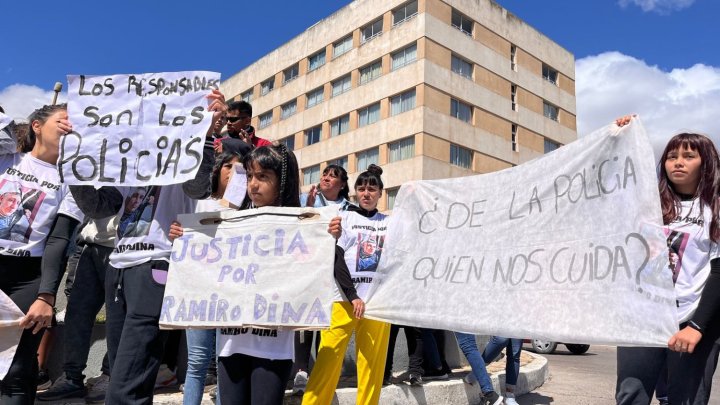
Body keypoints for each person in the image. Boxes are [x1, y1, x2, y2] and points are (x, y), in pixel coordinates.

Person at [68, 90, 226, 405]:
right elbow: (100, 206)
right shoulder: (129, 164)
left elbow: (198, 187)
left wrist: (205, 136)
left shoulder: (183, 158)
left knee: (127, 379)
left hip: (156, 267)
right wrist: (74, 164)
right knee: (127, 374)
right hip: (118, 270)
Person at [615, 125, 720, 405]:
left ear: (706, 163)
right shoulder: (648, 206)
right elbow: (611, 183)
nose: (678, 161)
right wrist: (621, 136)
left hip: (691, 320)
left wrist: (697, 327)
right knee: (630, 395)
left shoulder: (715, 210)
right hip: (642, 319)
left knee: (685, 401)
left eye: (688, 156)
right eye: (671, 156)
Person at [0, 104, 84, 404]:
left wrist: (46, 295)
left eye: (75, 124)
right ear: (37, 125)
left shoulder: (72, 182)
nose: (69, 127)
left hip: (28, 279)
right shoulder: (7, 157)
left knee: (19, 370)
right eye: (63, 121)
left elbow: (59, 239)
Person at [302, 164, 390, 405]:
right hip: (343, 298)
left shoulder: (390, 223)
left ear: (381, 193)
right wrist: (352, 295)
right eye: (361, 189)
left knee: (372, 367)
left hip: (377, 304)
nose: (366, 193)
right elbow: (336, 259)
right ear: (355, 193)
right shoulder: (345, 218)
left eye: (372, 189)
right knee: (327, 360)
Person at [181, 151, 243, 405]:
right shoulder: (197, 201)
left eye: (240, 169)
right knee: (196, 361)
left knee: (224, 362)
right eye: (229, 166)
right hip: (198, 290)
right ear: (217, 169)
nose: (233, 172)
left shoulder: (247, 209)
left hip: (231, 292)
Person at [36, 217, 117, 403]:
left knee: (118, 315)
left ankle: (110, 375)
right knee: (76, 313)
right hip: (88, 241)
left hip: (123, 245)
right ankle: (71, 377)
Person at [293, 164, 354, 394]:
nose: (327, 178)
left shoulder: (349, 209)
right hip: (310, 268)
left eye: (333, 176)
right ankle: (301, 371)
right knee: (306, 319)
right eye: (325, 174)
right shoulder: (305, 199)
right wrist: (307, 206)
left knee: (328, 323)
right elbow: (295, 228)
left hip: (337, 272)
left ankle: (323, 372)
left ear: (342, 185)